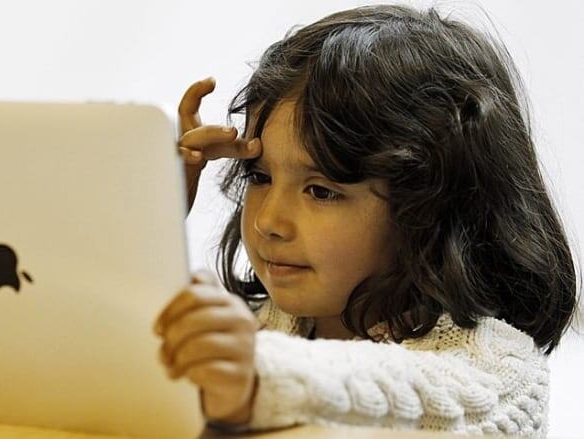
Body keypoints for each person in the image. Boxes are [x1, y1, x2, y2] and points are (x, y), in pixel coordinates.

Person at [152, 3, 580, 437]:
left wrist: (256, 378)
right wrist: (155, 218)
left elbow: (425, 400)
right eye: (259, 177)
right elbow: (112, 361)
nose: (268, 221)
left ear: (430, 206)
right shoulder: (263, 322)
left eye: (321, 190)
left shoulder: (499, 371)